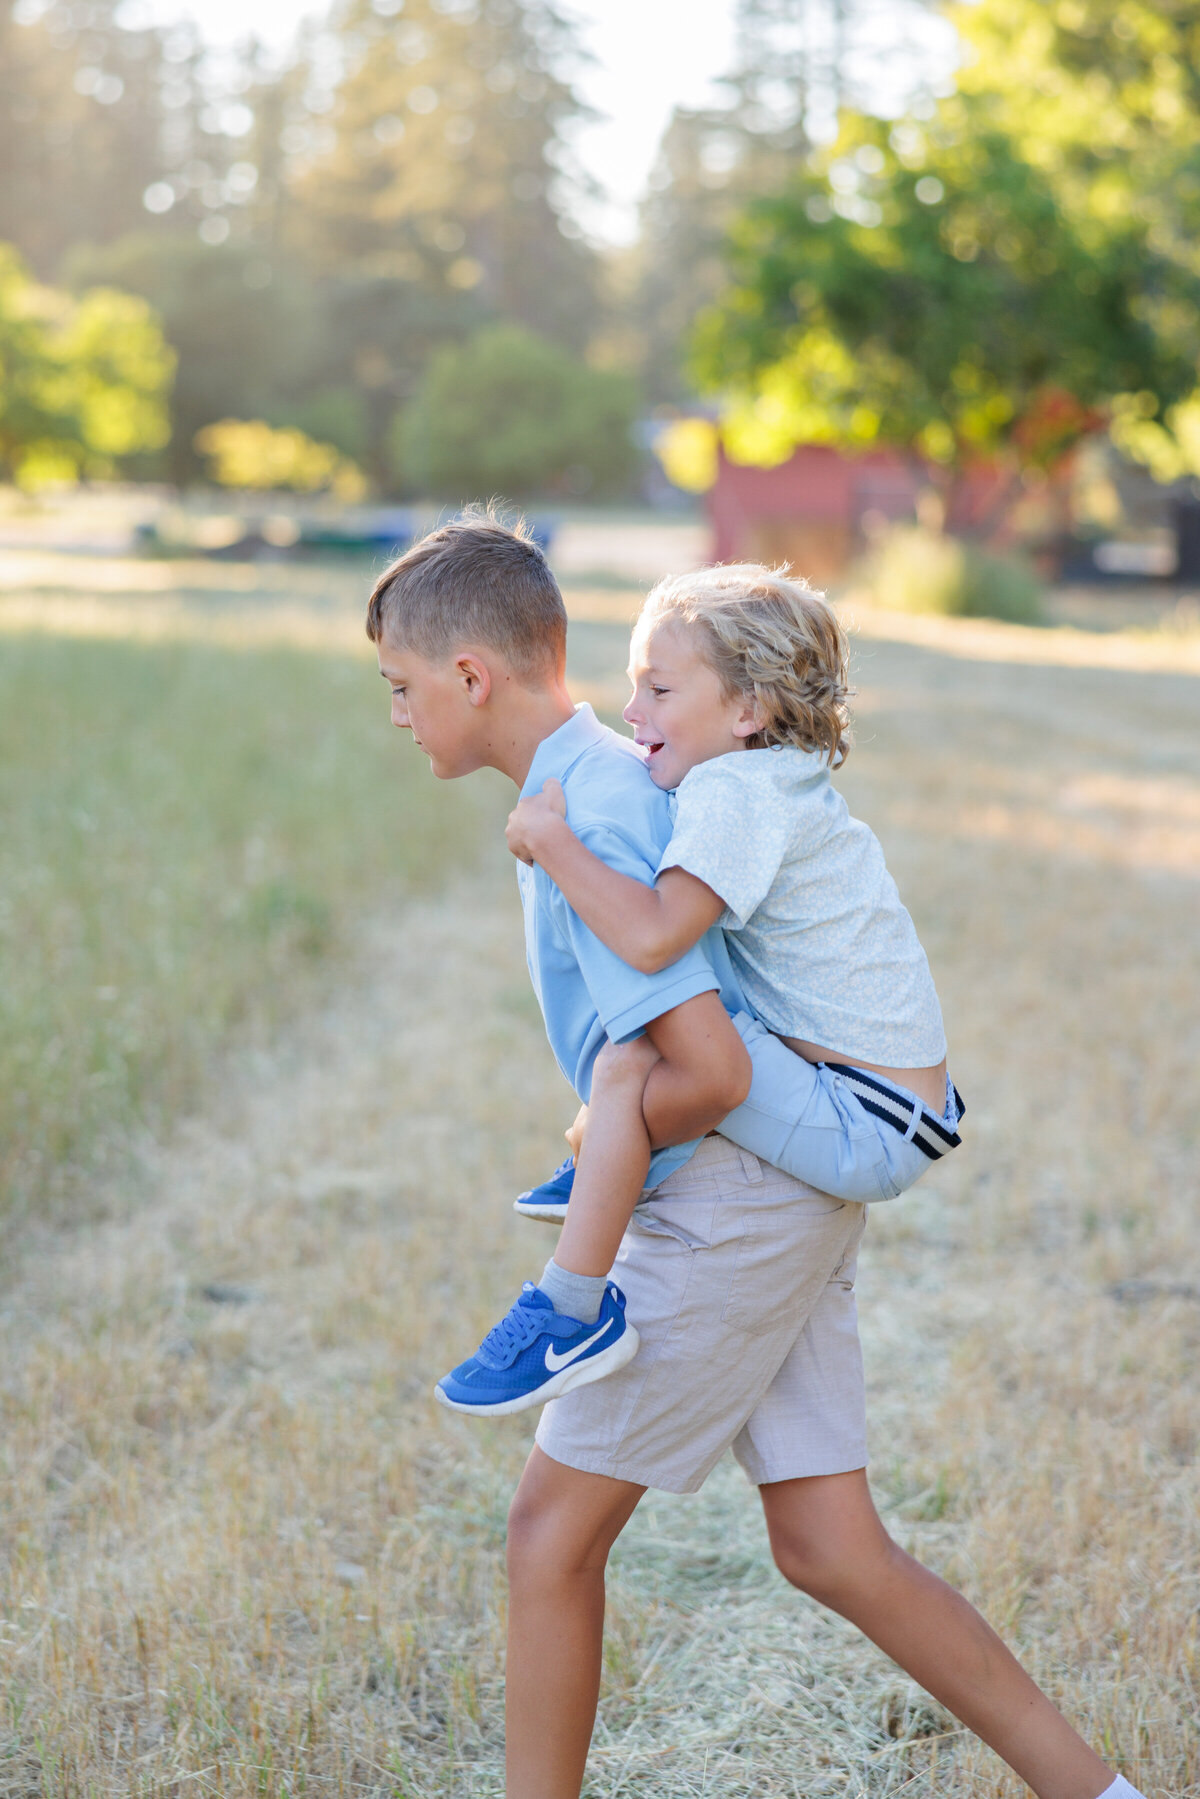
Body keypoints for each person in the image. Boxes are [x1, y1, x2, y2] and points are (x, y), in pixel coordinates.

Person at [365, 511, 1146, 1799]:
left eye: (399, 687)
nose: (395, 715)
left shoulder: (596, 815)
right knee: (833, 1547)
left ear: (471, 675)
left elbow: (709, 1067)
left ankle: (567, 1299)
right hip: (782, 1178)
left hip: (740, 1193)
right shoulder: (619, 783)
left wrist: (619, 1142)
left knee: (550, 1532)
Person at [464, 561, 963, 1416]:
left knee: (632, 1060)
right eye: (632, 687)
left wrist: (554, 841)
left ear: (746, 709)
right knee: (657, 1050)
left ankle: (572, 1307)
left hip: (868, 1119)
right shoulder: (764, 774)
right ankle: (607, 1153)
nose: (632, 714)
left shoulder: (738, 795)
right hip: (896, 1102)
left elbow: (655, 935)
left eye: (658, 689)